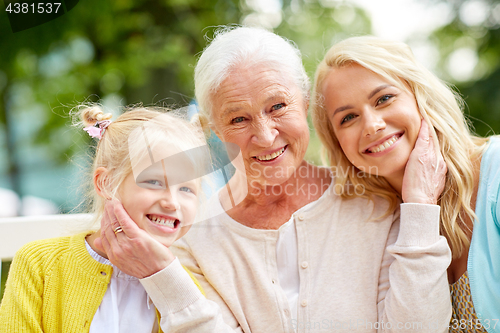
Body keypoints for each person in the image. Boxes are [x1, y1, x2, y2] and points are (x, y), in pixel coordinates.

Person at [95, 26, 452, 332]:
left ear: (307, 101)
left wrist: (420, 208)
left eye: (278, 107)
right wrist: (163, 275)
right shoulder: (193, 239)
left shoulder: (376, 202)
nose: (265, 136)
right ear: (213, 129)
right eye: (238, 120)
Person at [311, 35, 500, 333]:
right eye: (348, 117)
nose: (372, 125)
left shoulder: (497, 172)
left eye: (383, 99)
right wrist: (419, 206)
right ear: (337, 143)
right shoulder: (372, 221)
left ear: (419, 94)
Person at [0, 105, 207, 332]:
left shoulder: (183, 286)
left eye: (186, 189)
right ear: (106, 184)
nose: (172, 202)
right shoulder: (39, 265)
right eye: (154, 182)